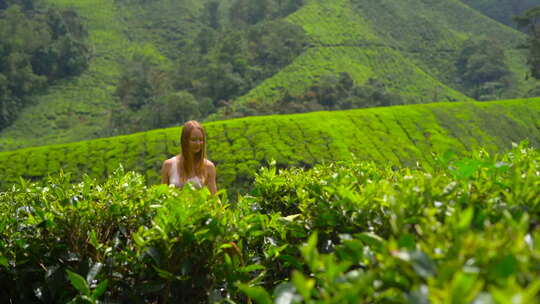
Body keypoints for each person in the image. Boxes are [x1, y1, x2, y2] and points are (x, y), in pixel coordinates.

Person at [161, 120, 217, 195]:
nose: (198, 143)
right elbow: (162, 196)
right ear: (185, 140)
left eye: (201, 140)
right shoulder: (168, 165)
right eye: (193, 140)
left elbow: (214, 199)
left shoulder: (209, 167)